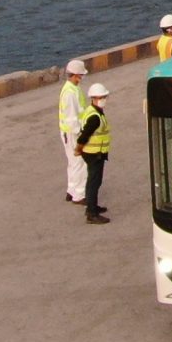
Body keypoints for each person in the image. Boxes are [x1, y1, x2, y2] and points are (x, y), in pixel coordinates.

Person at [75, 83, 115, 224]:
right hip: (94, 153)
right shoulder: (95, 116)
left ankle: (92, 207)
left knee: (95, 181)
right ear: (94, 98)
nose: (104, 99)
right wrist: (78, 149)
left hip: (95, 152)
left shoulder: (93, 110)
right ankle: (91, 213)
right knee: (94, 182)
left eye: (105, 96)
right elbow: (84, 136)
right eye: (102, 97)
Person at [57, 58, 89, 204]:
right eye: (81, 75)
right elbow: (72, 118)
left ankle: (71, 190)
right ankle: (79, 195)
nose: (82, 78)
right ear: (75, 75)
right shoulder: (71, 93)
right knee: (79, 162)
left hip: (67, 132)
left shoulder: (70, 89)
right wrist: (81, 134)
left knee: (72, 162)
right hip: (73, 133)